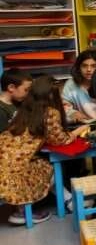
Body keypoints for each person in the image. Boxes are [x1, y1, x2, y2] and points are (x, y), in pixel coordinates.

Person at [0, 76, 88, 225]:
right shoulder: (50, 112)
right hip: (14, 169)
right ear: (52, 95)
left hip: (6, 160)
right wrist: (78, 131)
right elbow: (60, 139)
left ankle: (69, 201)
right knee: (49, 169)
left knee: (42, 165)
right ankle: (23, 211)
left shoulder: (24, 109)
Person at [62, 49, 96, 123]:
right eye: (84, 66)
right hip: (82, 124)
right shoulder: (71, 84)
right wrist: (72, 113)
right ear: (79, 67)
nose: (89, 69)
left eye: (93, 66)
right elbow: (63, 106)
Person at [0, 68, 32, 133]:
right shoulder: (1, 110)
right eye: (26, 90)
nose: (28, 93)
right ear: (11, 87)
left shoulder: (19, 102)